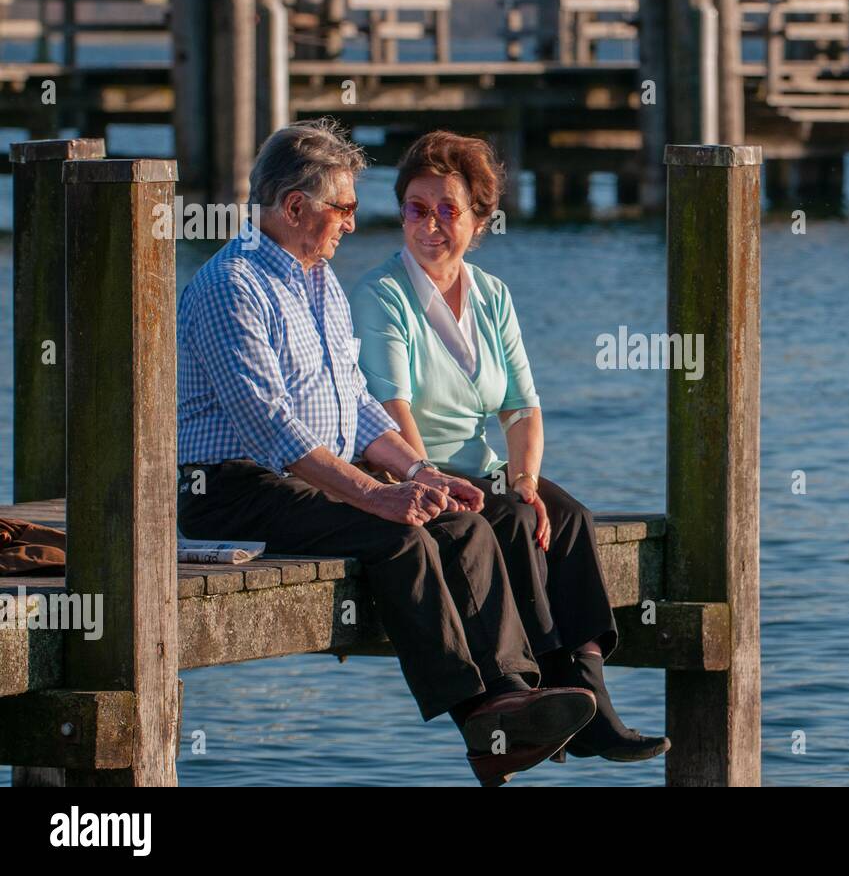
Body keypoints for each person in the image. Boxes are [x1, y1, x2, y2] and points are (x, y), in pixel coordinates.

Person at [175, 118, 597, 787]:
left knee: (459, 519)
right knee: (397, 534)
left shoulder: (320, 285)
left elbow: (360, 408)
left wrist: (420, 471)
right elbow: (271, 428)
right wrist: (377, 493)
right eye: (342, 206)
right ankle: (479, 719)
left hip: (303, 478)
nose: (351, 222)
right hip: (230, 488)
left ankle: (513, 695)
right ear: (294, 207)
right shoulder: (233, 286)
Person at [349, 130, 668, 763]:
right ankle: (550, 696)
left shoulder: (492, 295)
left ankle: (591, 697)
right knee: (521, 522)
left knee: (566, 516)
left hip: (483, 469)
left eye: (448, 210)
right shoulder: (381, 295)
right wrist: (427, 480)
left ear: (479, 219)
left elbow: (521, 406)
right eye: (417, 208)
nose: (431, 224)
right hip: (414, 474)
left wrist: (523, 477)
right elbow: (391, 408)